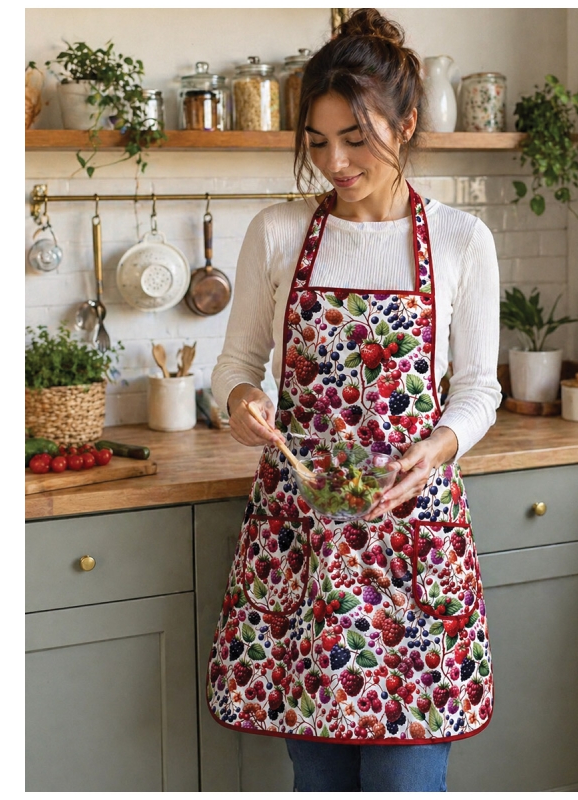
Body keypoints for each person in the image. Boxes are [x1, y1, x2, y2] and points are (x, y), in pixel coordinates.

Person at [208, 8, 502, 792]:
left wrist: (436, 447)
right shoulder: (277, 233)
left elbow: (478, 390)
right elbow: (235, 365)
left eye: (355, 138)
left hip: (415, 545)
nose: (334, 161)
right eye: (317, 141)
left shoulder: (462, 240)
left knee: (409, 782)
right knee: (320, 782)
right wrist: (241, 404)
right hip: (305, 551)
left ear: (405, 125)